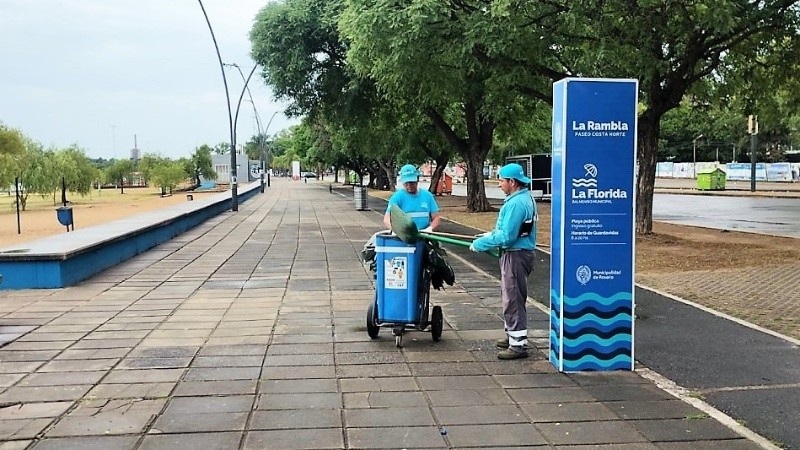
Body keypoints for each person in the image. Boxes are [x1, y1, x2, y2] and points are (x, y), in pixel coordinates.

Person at [469, 163, 537, 360]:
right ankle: (512, 336)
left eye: (501, 180)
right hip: (517, 253)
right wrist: (488, 236)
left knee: (513, 298)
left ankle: (518, 345)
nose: (499, 184)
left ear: (512, 182)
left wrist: (482, 243)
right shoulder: (522, 198)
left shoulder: (517, 203)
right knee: (511, 295)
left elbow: (507, 236)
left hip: (516, 254)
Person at [383, 164, 441, 232]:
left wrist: (430, 228)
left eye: (412, 183)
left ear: (417, 180)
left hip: (424, 235)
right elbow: (387, 219)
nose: (409, 186)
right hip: (405, 236)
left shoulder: (427, 196)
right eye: (406, 183)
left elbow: (436, 217)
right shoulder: (397, 197)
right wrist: (396, 231)